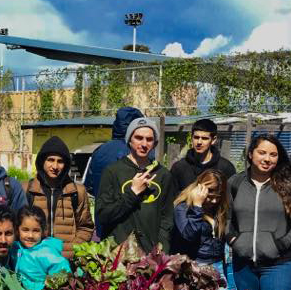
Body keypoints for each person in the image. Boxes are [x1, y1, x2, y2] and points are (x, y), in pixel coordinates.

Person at [226, 134, 291, 290]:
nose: (267, 159)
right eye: (262, 153)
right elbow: (225, 217)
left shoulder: (289, 185)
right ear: (250, 154)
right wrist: (234, 240)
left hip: (278, 266)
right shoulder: (235, 183)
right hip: (244, 265)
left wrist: (280, 244)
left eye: (273, 154)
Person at [95, 117, 176, 252]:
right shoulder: (113, 171)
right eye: (139, 138)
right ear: (129, 140)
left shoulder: (163, 175)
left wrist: (161, 248)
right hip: (118, 254)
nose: (144, 144)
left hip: (151, 254)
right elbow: (103, 215)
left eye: (149, 139)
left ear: (155, 144)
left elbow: (167, 219)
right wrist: (132, 193)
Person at [25, 136, 94, 257]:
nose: (55, 166)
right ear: (42, 161)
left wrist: (71, 251)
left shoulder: (77, 191)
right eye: (50, 160)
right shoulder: (27, 189)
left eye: (60, 161)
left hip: (66, 263)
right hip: (35, 260)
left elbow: (85, 227)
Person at [171, 169, 232, 286]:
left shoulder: (218, 208)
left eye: (218, 197)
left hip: (218, 265)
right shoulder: (183, 208)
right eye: (210, 196)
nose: (214, 201)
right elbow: (189, 235)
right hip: (195, 266)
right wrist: (197, 206)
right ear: (200, 188)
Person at [84, 107, 151, 196]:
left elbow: (90, 185)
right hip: (131, 205)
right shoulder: (140, 151)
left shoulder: (100, 150)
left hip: (103, 205)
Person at [9, 205, 71, 290]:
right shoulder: (15, 247)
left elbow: (64, 271)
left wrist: (50, 285)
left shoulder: (47, 252)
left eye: (36, 231)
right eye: (25, 230)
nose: (30, 235)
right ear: (17, 230)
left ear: (43, 231)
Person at [170, 119, 236, 190]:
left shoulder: (225, 168)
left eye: (204, 138)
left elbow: (230, 197)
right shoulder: (179, 168)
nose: (199, 142)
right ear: (191, 137)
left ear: (213, 140)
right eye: (196, 137)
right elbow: (173, 197)